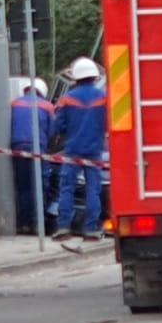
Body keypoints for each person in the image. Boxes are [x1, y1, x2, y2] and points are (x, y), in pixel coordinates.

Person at [53, 57, 107, 242]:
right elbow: (110, 124)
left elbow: (57, 126)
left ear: (75, 78)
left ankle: (63, 227)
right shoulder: (104, 98)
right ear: (95, 77)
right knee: (93, 189)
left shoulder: (67, 99)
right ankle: (91, 229)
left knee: (67, 188)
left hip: (72, 150)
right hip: (94, 150)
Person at [9, 78, 54, 235]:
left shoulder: (14, 104)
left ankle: (24, 224)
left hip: (17, 147)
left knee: (23, 187)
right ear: (42, 92)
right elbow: (52, 131)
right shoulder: (47, 106)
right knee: (40, 186)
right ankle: (38, 224)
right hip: (37, 147)